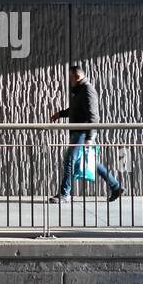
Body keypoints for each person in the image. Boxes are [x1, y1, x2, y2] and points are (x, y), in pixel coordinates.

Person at [47, 63, 123, 203]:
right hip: (79, 133)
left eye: (70, 78)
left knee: (69, 160)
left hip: (82, 134)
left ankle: (65, 194)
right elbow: (76, 109)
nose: (70, 81)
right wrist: (60, 114)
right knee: (92, 162)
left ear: (77, 76)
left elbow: (94, 116)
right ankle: (115, 186)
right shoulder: (81, 91)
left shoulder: (88, 90)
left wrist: (89, 137)